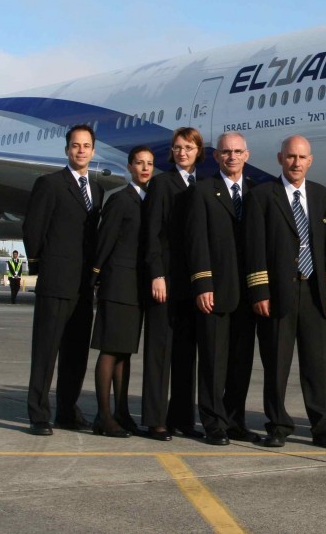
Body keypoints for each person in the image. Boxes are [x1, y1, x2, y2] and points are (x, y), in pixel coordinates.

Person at [245, 135, 326, 449]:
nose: (296, 163)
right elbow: (255, 245)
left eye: (302, 158)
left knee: (317, 364)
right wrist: (260, 289)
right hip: (276, 293)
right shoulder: (263, 195)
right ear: (280, 158)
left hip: (313, 291)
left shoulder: (321, 196)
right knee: (276, 364)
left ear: (310, 160)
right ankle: (277, 424)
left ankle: (325, 427)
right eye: (290, 157)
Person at [22, 124, 103, 436]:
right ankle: (39, 414)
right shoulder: (50, 184)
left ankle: (67, 411)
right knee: (46, 352)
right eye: (75, 145)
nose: (80, 150)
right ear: (67, 150)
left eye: (85, 146)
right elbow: (33, 230)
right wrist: (46, 266)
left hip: (84, 287)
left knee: (76, 353)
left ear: (93, 151)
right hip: (56, 282)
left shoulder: (97, 190)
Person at [186, 132, 261, 445]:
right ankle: (214, 422)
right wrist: (202, 283)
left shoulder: (257, 192)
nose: (232, 157)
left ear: (247, 155)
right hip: (216, 289)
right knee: (214, 361)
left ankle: (235, 420)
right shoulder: (203, 190)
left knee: (241, 362)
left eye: (237, 152)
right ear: (216, 157)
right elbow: (196, 240)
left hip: (249, 291)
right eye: (226, 152)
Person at [141, 127, 204, 441]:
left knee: (185, 353)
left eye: (189, 147)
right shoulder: (162, 183)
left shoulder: (204, 185)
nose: (183, 152)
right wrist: (156, 274)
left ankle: (182, 417)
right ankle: (155, 419)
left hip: (192, 283)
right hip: (165, 281)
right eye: (178, 147)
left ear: (198, 151)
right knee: (159, 353)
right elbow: (151, 233)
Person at [90, 145, 153, 438]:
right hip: (117, 284)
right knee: (110, 350)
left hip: (135, 286)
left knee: (125, 352)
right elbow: (105, 241)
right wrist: (96, 275)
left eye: (149, 164)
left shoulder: (148, 201)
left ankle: (122, 412)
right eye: (139, 163)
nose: (144, 168)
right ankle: (103, 416)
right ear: (129, 167)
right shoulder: (120, 200)